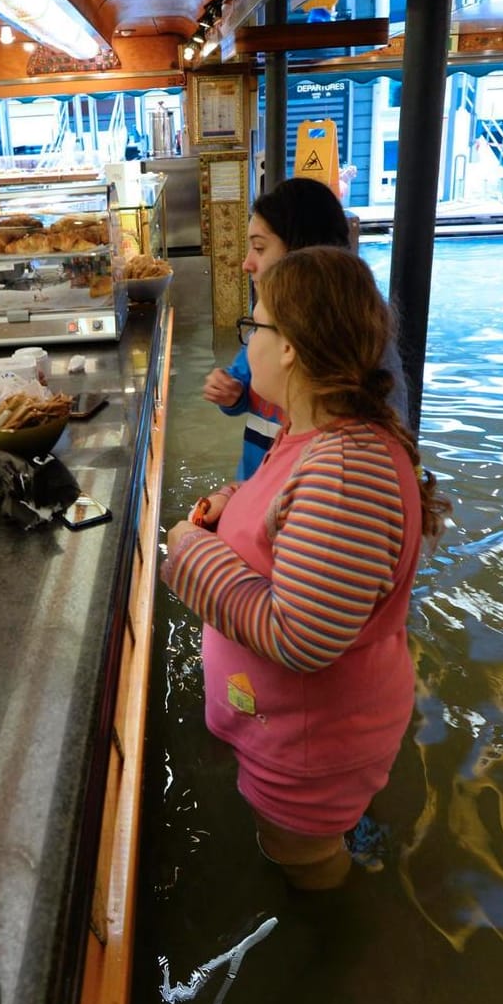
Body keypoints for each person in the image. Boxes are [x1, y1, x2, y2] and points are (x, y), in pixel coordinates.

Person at [163, 247, 448, 890]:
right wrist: (233, 507)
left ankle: (341, 956)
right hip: (296, 729)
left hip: (311, 746)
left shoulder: (348, 471)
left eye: (255, 325)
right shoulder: (315, 435)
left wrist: (188, 550)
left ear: (289, 346)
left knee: (303, 862)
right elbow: (292, 517)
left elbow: (301, 634)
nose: (249, 343)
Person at [201, 177, 408, 479]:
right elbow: (245, 380)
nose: (246, 264)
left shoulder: (340, 469)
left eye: (259, 248)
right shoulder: (280, 327)